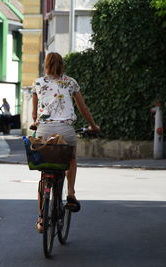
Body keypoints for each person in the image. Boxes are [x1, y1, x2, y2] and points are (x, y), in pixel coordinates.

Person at [31, 52, 99, 232]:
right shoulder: (71, 82)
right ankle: (70, 193)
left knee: (44, 175)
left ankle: (41, 219)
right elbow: (82, 108)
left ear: (46, 64)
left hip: (44, 130)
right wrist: (93, 125)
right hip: (66, 131)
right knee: (71, 159)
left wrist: (35, 122)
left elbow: (34, 113)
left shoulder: (38, 83)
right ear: (62, 64)